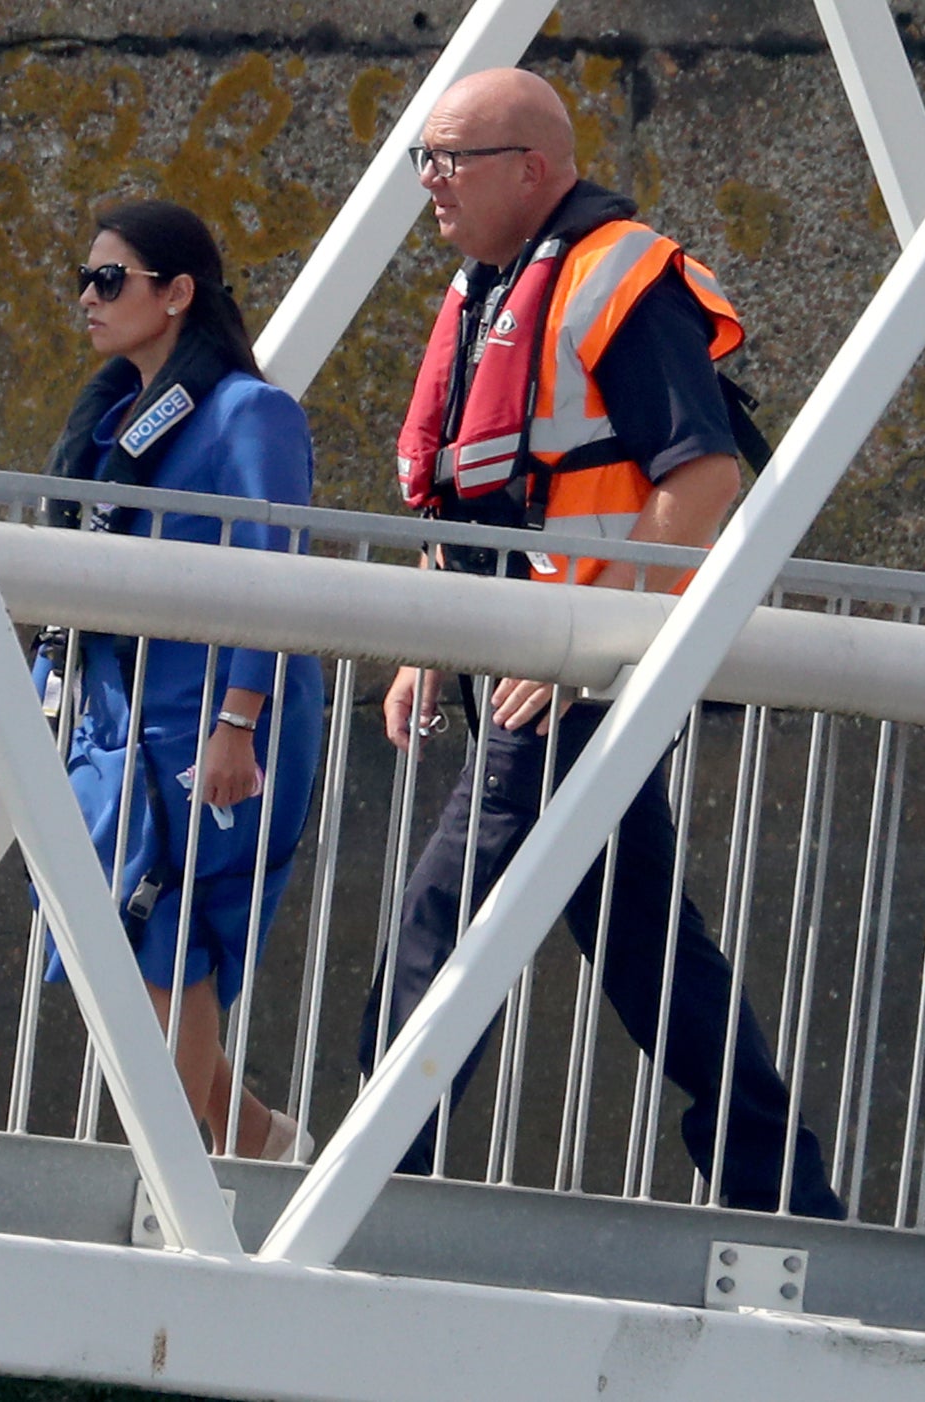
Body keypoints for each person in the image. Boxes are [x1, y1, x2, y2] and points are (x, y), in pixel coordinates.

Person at [358, 68, 845, 1218]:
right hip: (524, 667)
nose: (428, 182)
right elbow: (478, 501)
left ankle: (372, 1179)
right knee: (645, 948)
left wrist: (599, 639)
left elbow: (703, 472)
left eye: (449, 159)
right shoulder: (487, 291)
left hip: (574, 682)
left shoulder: (622, 280)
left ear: (530, 167)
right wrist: (426, 643)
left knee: (449, 908)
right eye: (420, 158)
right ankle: (783, 1190)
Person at [34, 199, 324, 1162]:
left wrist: (240, 720)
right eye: (83, 278)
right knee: (104, 927)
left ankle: (177, 1170)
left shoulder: (254, 413)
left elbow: (270, 560)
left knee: (172, 931)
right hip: (118, 708)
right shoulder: (114, 415)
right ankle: (246, 1135)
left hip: (211, 711)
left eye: (109, 279)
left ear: (178, 293)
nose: (87, 296)